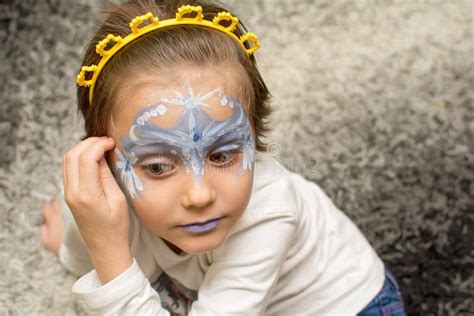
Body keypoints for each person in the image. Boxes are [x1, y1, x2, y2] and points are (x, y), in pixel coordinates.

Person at [40, 0, 406, 314]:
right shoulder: (95, 198)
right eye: (157, 167)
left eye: (222, 154)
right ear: (104, 160)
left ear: (254, 134)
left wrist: (109, 256)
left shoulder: (269, 210)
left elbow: (110, 263)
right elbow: (88, 241)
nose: (199, 196)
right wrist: (82, 244)